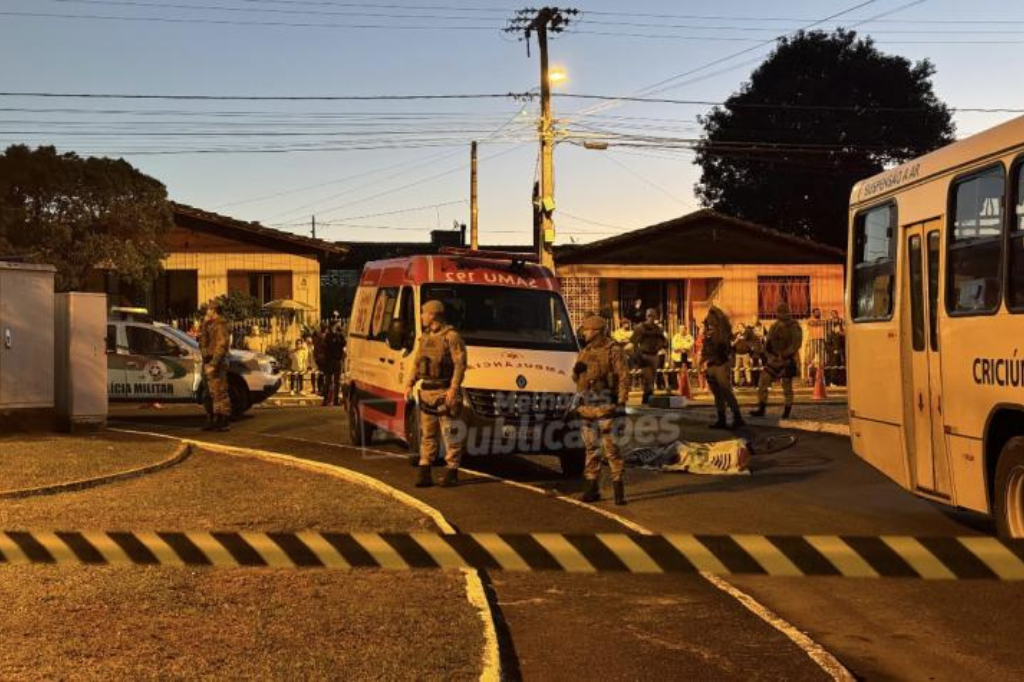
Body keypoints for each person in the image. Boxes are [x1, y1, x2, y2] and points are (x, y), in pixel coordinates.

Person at [405, 299, 468, 488]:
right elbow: (417, 364)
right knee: (427, 434)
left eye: (424, 313)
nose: (422, 316)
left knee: (450, 433)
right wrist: (409, 383)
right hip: (427, 391)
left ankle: (452, 470)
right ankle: (425, 469)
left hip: (444, 391)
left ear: (433, 315)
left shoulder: (451, 337)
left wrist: (453, 389)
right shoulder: (424, 338)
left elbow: (460, 364)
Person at [573, 315, 630, 505]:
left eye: (587, 330)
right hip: (588, 408)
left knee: (612, 450)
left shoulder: (614, 351)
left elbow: (623, 377)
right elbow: (578, 381)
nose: (584, 333)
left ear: (597, 332)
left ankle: (618, 490)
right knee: (591, 449)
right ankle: (591, 489)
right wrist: (576, 371)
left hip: (607, 407)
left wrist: (621, 403)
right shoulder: (585, 351)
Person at [751, 302, 803, 419]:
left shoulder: (794, 325)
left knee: (787, 386)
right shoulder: (774, 326)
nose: (780, 314)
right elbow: (768, 342)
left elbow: (796, 343)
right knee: (763, 382)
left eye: (782, 311)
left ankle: (786, 411)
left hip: (787, 360)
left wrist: (786, 354)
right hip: (773, 360)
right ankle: (761, 407)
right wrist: (769, 355)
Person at [701, 306, 744, 430]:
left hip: (720, 364)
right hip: (711, 365)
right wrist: (701, 362)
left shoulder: (721, 333)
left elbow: (722, 347)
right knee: (718, 395)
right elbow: (706, 350)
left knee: (726, 392)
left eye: (709, 320)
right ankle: (722, 419)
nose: (707, 323)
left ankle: (737, 418)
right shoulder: (711, 333)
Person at [199, 300, 231, 432]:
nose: (207, 312)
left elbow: (221, 346)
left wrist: (213, 363)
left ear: (214, 311)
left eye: (209, 309)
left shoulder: (220, 326)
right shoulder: (208, 325)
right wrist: (204, 324)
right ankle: (211, 418)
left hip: (216, 363)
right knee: (208, 392)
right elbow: (203, 343)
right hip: (208, 361)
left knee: (219, 392)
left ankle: (222, 420)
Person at [631, 308, 667, 404]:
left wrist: (660, 346)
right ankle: (647, 397)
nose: (651, 317)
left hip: (654, 355)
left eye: (652, 315)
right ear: (646, 316)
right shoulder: (640, 327)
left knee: (652, 378)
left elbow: (664, 341)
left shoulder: (657, 328)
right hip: (644, 355)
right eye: (649, 315)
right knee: (648, 378)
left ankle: (648, 397)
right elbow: (633, 342)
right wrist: (637, 356)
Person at [322, 322, 346, 407]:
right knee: (328, 382)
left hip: (337, 360)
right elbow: (327, 346)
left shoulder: (340, 336)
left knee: (337, 382)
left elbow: (344, 343)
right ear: (333, 326)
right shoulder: (328, 336)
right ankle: (325, 400)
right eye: (337, 325)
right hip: (330, 361)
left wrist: (340, 334)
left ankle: (335, 400)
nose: (338, 327)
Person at [670, 323, 694, 394]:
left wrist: (682, 347)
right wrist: (682, 347)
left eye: (683, 329)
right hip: (678, 357)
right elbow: (674, 346)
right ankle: (680, 387)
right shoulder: (676, 337)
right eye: (680, 329)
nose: (682, 330)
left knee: (687, 373)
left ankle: (687, 388)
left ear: (686, 329)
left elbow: (690, 345)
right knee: (678, 372)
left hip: (687, 357)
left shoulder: (689, 337)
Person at [804, 308, 826, 384]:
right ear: (813, 313)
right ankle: (807, 378)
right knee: (809, 358)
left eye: (819, 312)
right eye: (816, 312)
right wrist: (821, 322)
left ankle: (822, 377)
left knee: (823, 359)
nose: (818, 314)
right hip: (813, 340)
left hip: (821, 340)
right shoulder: (810, 320)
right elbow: (813, 324)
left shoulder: (823, 320)